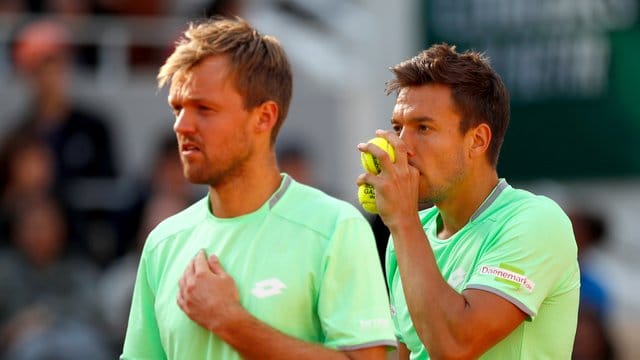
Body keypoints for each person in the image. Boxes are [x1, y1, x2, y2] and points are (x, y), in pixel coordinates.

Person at [120, 16, 396, 360]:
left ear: (264, 117)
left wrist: (230, 321)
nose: (182, 125)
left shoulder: (336, 226)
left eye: (204, 108)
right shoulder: (163, 242)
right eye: (178, 108)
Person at [356, 44, 580, 359]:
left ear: (477, 140)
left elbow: (455, 346)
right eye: (397, 128)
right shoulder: (407, 234)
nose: (400, 147)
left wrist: (403, 221)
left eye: (423, 128)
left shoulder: (536, 220)